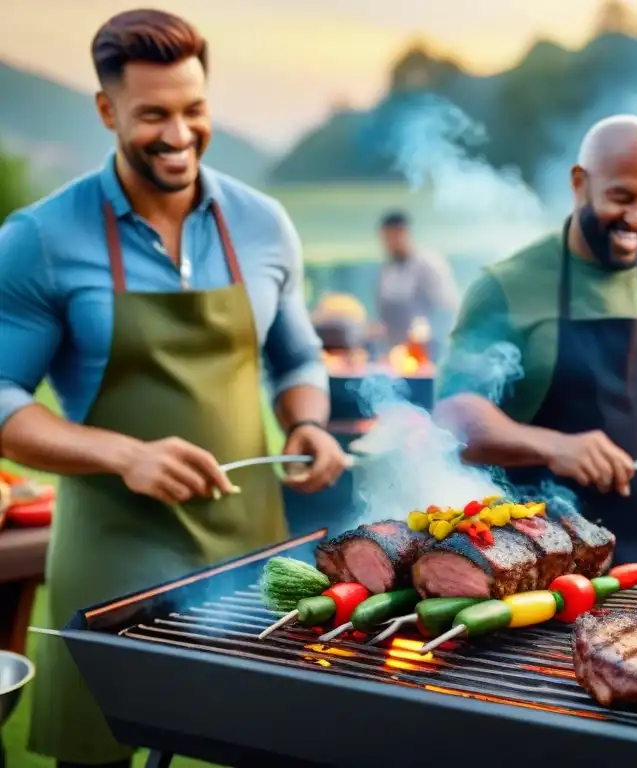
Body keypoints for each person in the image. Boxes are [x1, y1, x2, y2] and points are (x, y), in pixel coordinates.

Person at [0, 10, 348, 766]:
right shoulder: (41, 239)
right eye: (153, 114)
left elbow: (297, 358)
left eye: (194, 110)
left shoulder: (262, 224)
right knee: (96, 754)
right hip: (113, 548)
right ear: (107, 111)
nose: (179, 134)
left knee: (266, 743)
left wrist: (309, 424)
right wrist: (125, 454)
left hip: (251, 546)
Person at [432, 115, 637, 571]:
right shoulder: (505, 289)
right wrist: (552, 445)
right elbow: (453, 416)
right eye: (621, 197)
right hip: (533, 575)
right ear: (580, 183)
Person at [375, 210, 460, 358]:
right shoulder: (388, 269)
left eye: (391, 237)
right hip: (397, 353)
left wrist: (427, 331)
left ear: (403, 233)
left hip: (430, 350)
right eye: (385, 238)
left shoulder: (429, 264)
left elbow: (447, 308)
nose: (388, 243)